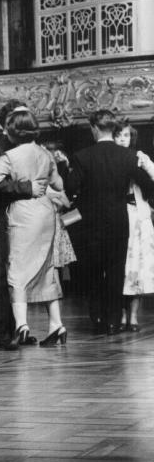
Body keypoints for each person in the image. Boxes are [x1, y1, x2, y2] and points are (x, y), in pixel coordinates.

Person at [0, 109, 68, 346]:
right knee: (46, 268)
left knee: (17, 271)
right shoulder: (46, 153)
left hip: (23, 214)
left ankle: (22, 326)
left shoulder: (11, 156)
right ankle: (57, 325)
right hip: (46, 213)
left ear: (12, 133)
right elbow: (59, 183)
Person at [66, 110, 154, 334]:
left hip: (90, 222)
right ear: (113, 129)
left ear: (94, 129)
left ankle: (97, 317)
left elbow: (70, 189)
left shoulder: (82, 156)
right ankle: (114, 321)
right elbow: (149, 185)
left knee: (94, 271)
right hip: (119, 220)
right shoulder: (128, 156)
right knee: (116, 270)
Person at [0, 101, 43, 350]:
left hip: (16, 219)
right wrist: (26, 188)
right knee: (0, 273)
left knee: (17, 274)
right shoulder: (2, 150)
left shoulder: (22, 147)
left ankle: (17, 329)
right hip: (0, 220)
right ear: (8, 124)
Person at [113, 123, 154, 331]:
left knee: (137, 266)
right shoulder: (110, 159)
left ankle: (134, 316)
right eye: (118, 135)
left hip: (138, 215)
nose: (122, 139)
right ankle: (120, 315)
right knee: (121, 266)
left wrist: (144, 163)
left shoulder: (138, 157)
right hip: (119, 215)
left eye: (126, 135)